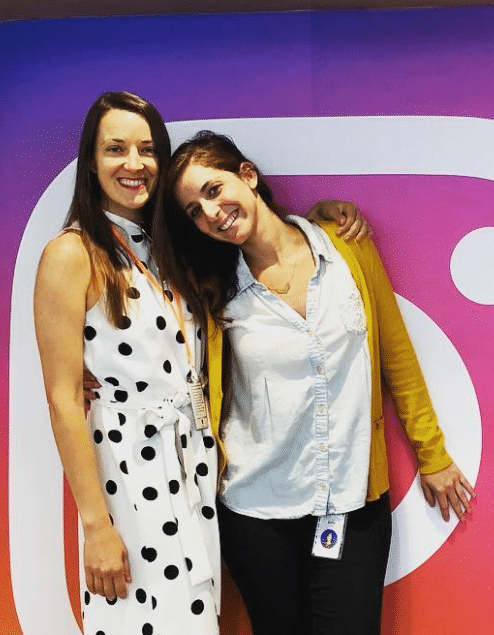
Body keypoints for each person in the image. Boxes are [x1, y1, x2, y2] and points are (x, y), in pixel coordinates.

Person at [34, 92, 366, 635]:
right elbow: (62, 396)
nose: (134, 164)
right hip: (129, 472)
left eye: (147, 150)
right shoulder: (72, 253)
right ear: (91, 163)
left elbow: (261, 239)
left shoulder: (169, 252)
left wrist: (325, 216)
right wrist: (96, 525)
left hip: (194, 473)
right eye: (115, 149)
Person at [157, 131, 476, 635]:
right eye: (194, 211)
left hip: (352, 503)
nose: (211, 213)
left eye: (213, 190)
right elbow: (161, 351)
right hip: (256, 509)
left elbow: (395, 354)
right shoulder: (213, 289)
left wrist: (432, 453)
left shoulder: (346, 247)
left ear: (247, 175)